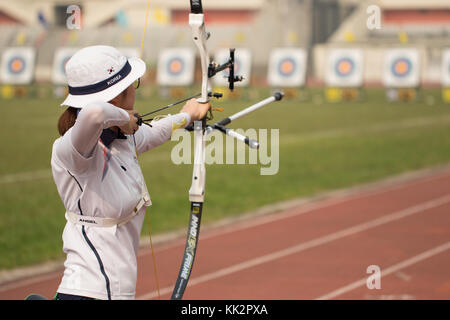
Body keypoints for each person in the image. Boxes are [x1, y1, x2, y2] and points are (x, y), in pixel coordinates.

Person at [51, 45, 210, 300]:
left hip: (112, 290)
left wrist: (188, 116)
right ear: (117, 97)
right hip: (90, 291)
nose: (135, 90)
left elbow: (156, 131)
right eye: (132, 85)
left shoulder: (120, 137)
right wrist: (123, 118)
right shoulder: (72, 149)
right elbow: (94, 113)